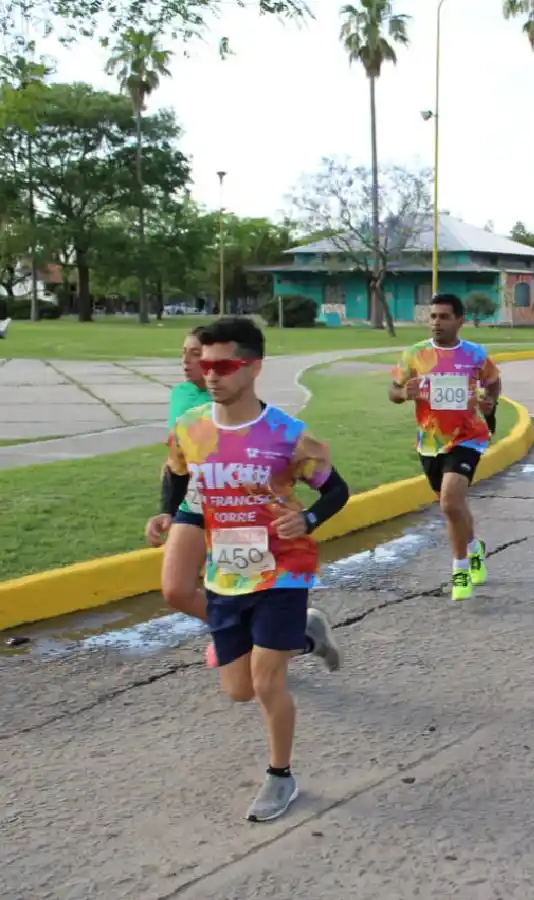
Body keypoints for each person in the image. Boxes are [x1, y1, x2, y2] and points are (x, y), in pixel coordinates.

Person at [151, 316, 348, 822]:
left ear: (253, 367)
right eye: (205, 364)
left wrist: (305, 518)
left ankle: (281, 776)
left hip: (283, 569)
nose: (210, 374)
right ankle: (305, 636)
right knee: (238, 689)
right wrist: (167, 516)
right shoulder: (190, 430)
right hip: (227, 573)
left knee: (266, 685)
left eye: (224, 365)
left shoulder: (286, 434)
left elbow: (336, 491)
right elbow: (177, 475)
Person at [390, 293, 500, 602]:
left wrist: (490, 405)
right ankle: (474, 546)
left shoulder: (476, 354)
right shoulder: (415, 354)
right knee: (454, 507)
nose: (437, 322)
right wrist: (403, 393)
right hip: (430, 442)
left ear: (459, 320)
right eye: (433, 316)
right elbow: (393, 391)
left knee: (450, 503)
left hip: (468, 436)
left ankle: (460, 569)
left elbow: (492, 382)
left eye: (444, 316)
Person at [145, 326, 216, 665]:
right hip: (191, 499)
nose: (185, 362)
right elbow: (175, 459)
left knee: (224, 583)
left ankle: (291, 633)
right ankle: (232, 629)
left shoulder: (228, 395)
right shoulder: (180, 395)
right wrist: (166, 509)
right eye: (183, 353)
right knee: (177, 589)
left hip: (232, 502)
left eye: (195, 354)